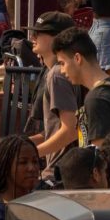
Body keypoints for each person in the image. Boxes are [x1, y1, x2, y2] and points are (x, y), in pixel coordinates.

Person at [26, 11, 79, 182]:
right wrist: (22, 145)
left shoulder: (57, 74)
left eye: (38, 33)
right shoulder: (57, 71)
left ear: (57, 38)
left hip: (60, 172)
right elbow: (55, 129)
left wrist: (32, 154)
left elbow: (70, 130)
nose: (32, 36)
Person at [53, 28, 110, 146]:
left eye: (62, 63)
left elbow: (100, 154)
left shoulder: (96, 99)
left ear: (77, 58)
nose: (62, 71)